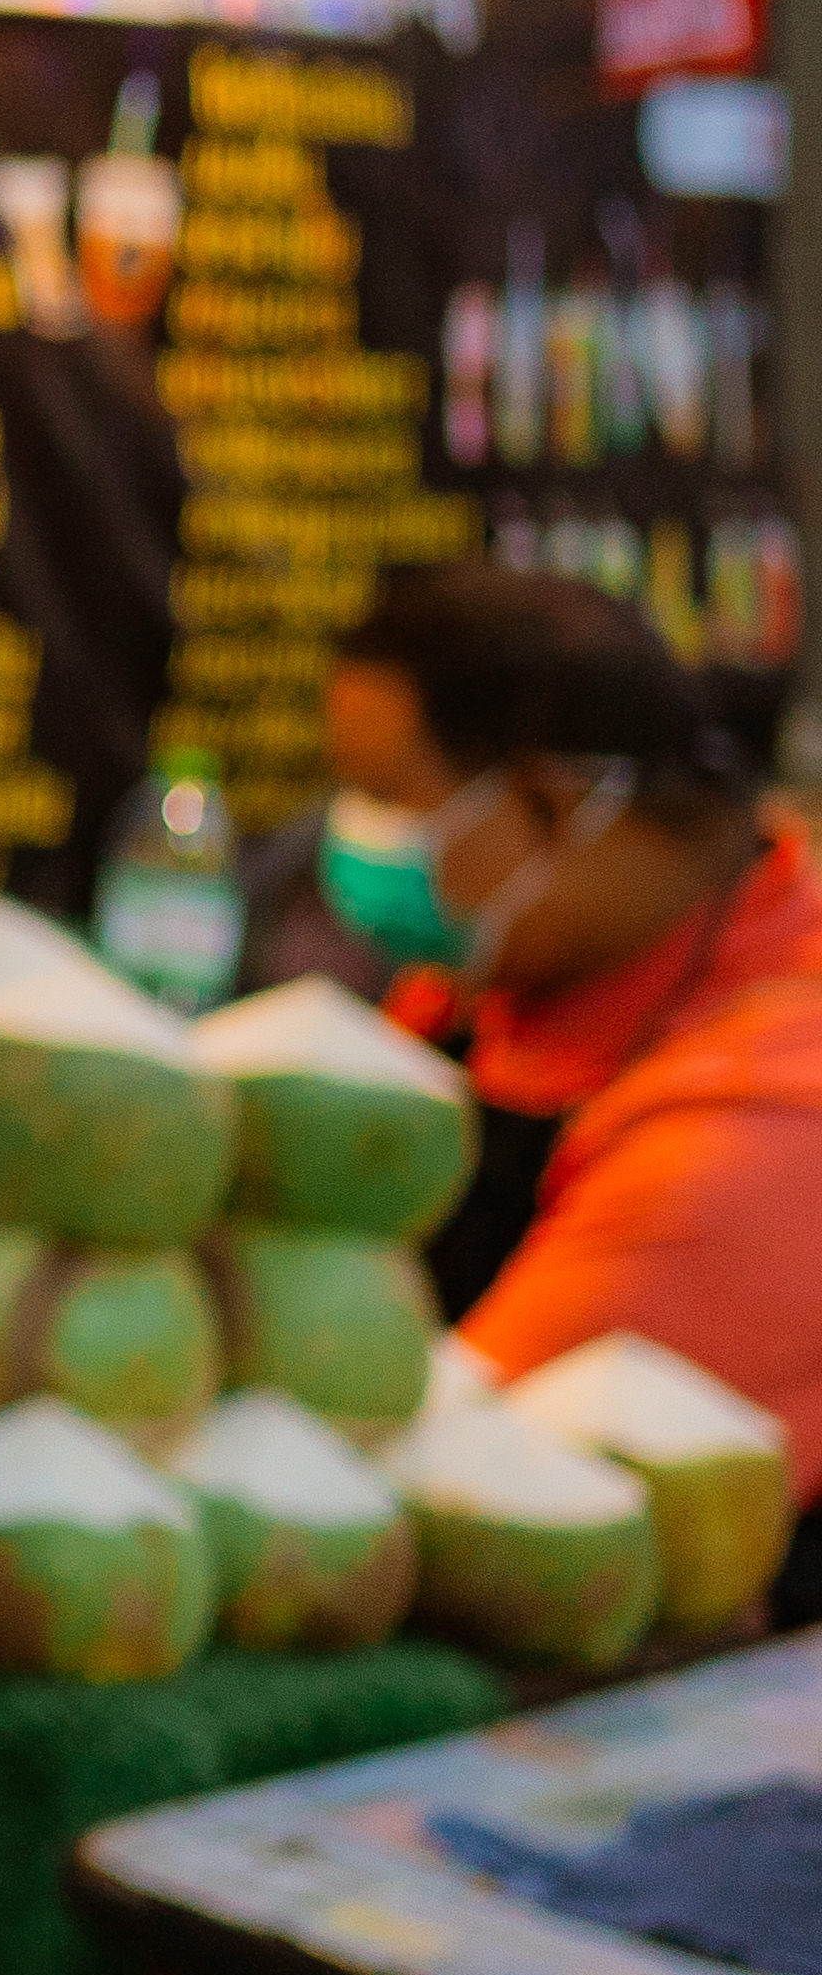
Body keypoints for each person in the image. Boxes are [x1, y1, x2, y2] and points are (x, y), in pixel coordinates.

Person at [324, 561, 822, 1493]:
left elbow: (465, 1469)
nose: (351, 843)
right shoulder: (494, 981)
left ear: (553, 807)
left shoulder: (770, 1114)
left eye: (390, 801)